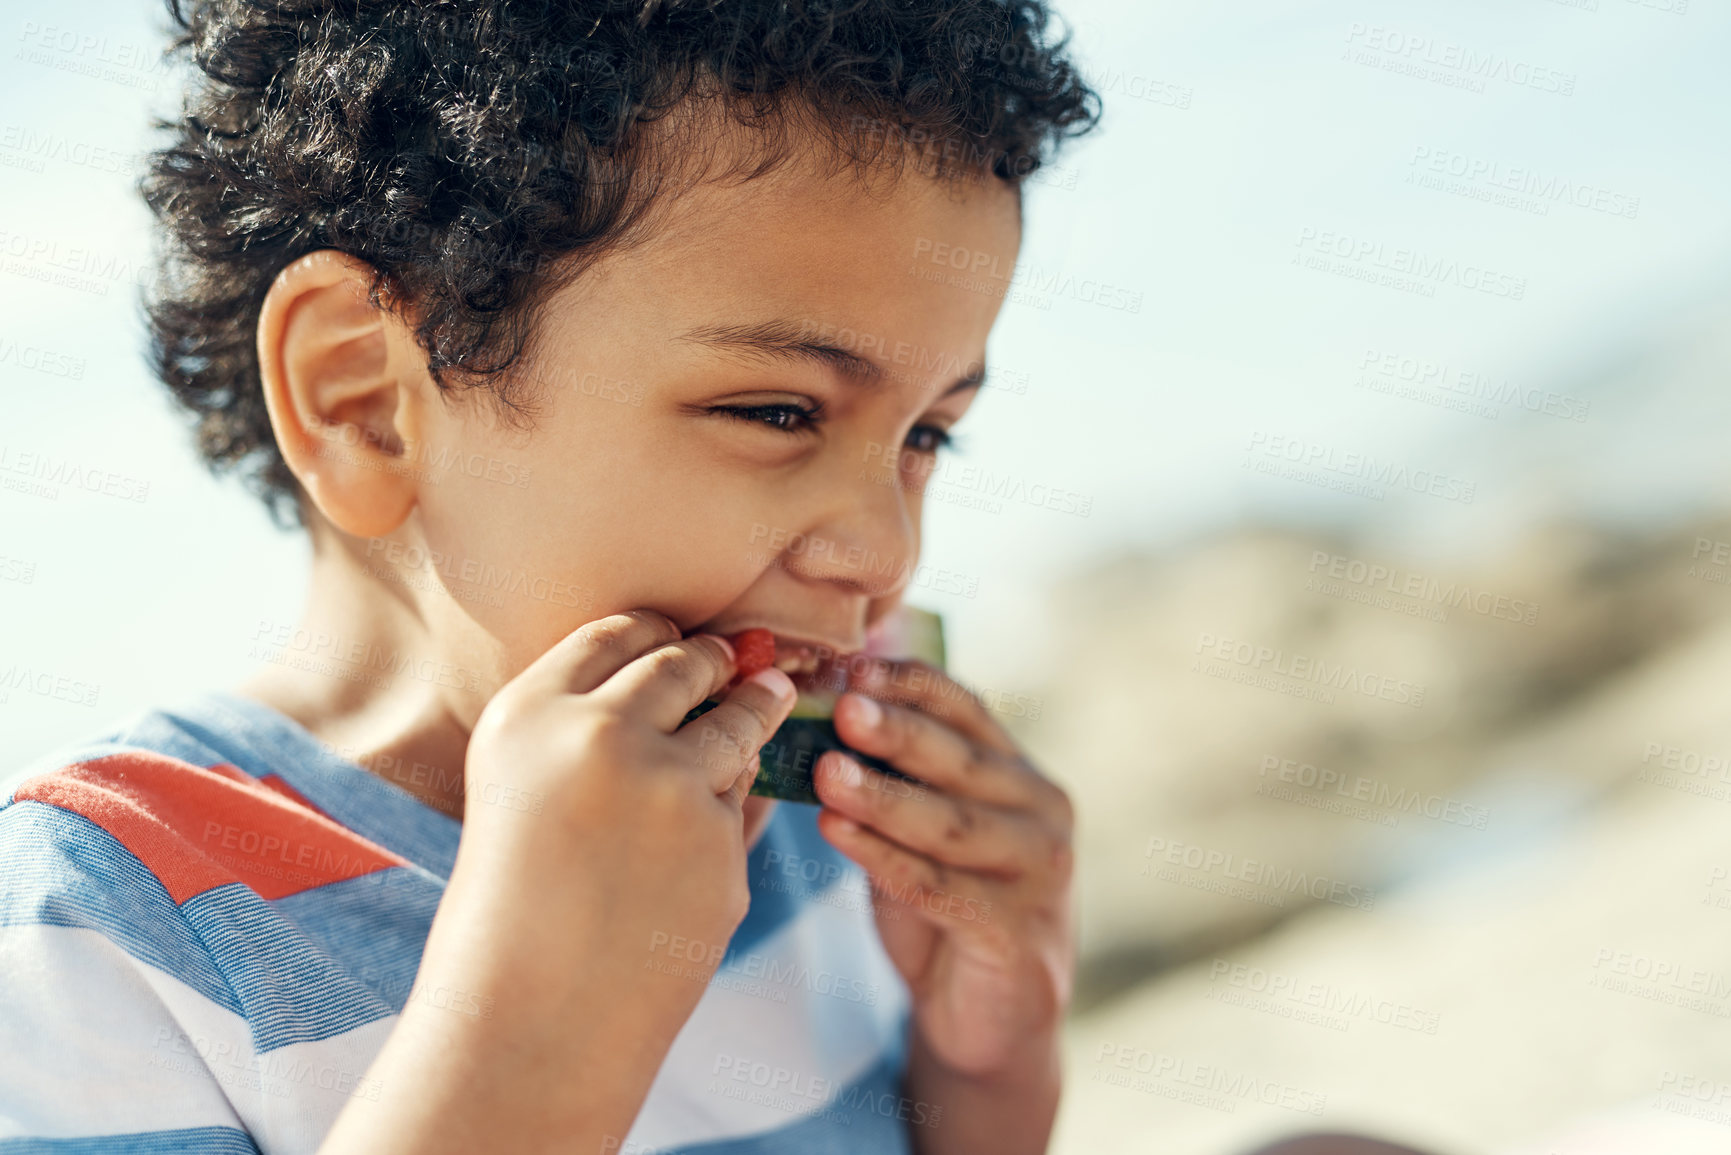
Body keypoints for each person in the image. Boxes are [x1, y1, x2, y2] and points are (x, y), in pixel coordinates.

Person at [0, 1, 1099, 1151]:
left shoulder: (815, 823)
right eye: (777, 411)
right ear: (365, 400)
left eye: (929, 435)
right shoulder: (100, 919)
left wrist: (987, 1059)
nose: (885, 555)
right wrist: (535, 1036)